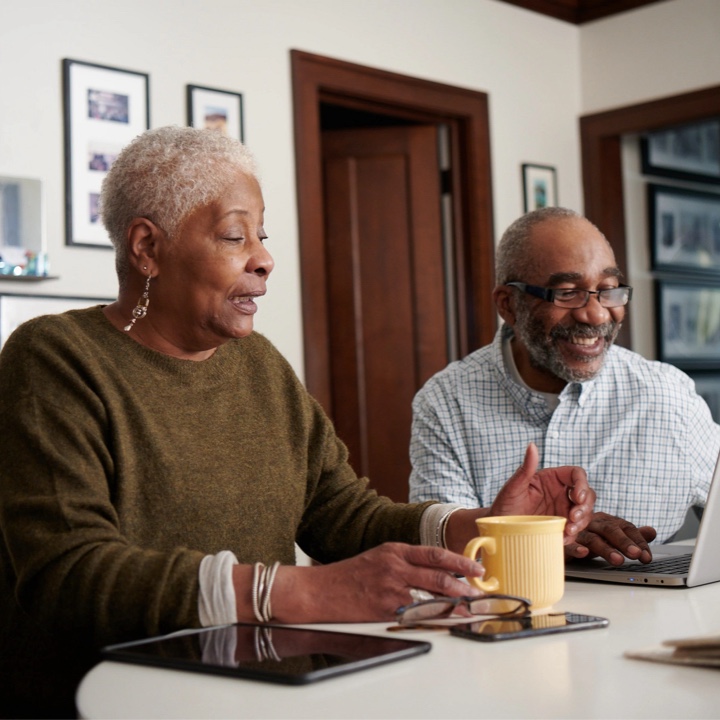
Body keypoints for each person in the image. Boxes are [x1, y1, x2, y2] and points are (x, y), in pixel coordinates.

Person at [0, 127, 595, 718]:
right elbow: (68, 572)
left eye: (261, 235)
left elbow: (343, 516)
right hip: (113, 698)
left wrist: (476, 526)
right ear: (147, 248)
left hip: (259, 694)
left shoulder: (258, 364)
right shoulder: (55, 358)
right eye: (235, 236)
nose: (264, 259)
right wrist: (300, 591)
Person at [409, 206, 720, 565]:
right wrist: (540, 537)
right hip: (511, 615)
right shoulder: (446, 402)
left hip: (656, 614)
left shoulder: (668, 396)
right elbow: (439, 553)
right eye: (567, 292)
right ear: (509, 305)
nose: (597, 314)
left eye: (608, 289)